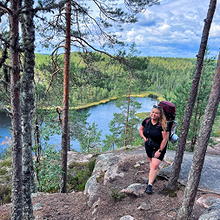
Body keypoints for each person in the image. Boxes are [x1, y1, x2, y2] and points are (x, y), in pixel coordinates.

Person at [139, 105, 170, 194]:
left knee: (155, 165)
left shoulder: (163, 125)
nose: (154, 114)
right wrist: (143, 137)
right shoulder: (147, 121)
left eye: (156, 113)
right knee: (152, 163)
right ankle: (153, 178)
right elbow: (141, 129)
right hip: (148, 145)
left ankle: (149, 185)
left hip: (159, 147)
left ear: (160, 115)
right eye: (153, 112)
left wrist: (159, 150)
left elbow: (165, 139)